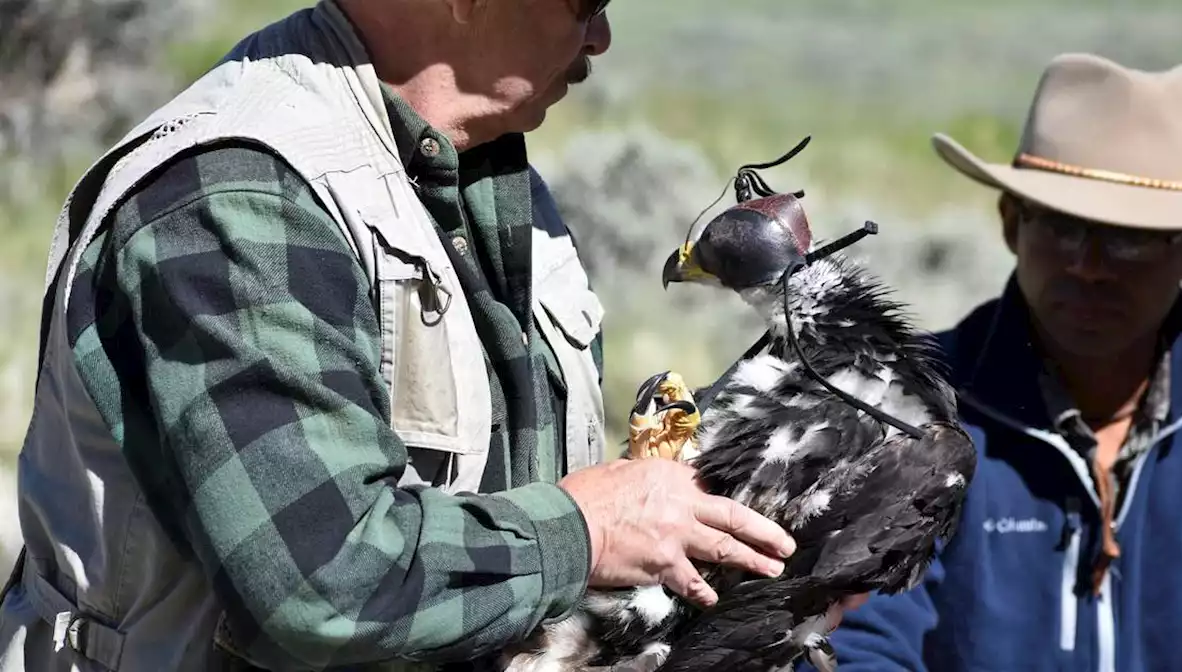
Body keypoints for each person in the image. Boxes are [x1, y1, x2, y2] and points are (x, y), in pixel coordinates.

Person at [0, 1, 813, 669]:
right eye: (583, 3)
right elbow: (322, 578)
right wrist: (590, 530)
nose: (600, 35)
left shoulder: (488, 177)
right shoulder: (236, 197)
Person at [818, 53, 1182, 671]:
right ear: (1012, 224)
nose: (1087, 264)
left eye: (1128, 234)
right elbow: (856, 646)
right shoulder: (906, 411)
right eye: (1061, 226)